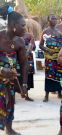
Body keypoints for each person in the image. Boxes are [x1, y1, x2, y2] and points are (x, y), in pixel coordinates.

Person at [0, 5, 28, 135]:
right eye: (23, 25)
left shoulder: (20, 41)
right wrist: (1, 70)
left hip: (10, 81)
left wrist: (24, 84)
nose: (25, 28)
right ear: (14, 25)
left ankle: (9, 129)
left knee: (9, 103)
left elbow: (24, 63)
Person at [39, 14, 62, 102]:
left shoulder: (59, 32)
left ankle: (59, 93)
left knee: (59, 74)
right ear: (48, 20)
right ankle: (46, 95)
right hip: (49, 57)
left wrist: (60, 50)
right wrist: (47, 50)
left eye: (55, 18)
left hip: (58, 57)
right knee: (49, 75)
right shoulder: (45, 32)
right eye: (52, 18)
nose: (54, 20)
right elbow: (40, 45)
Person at [15, 32, 36, 101]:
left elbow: (33, 47)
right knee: (16, 76)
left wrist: (27, 52)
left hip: (27, 59)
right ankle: (13, 97)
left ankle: (26, 95)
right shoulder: (13, 35)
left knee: (27, 75)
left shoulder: (30, 35)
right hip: (17, 59)